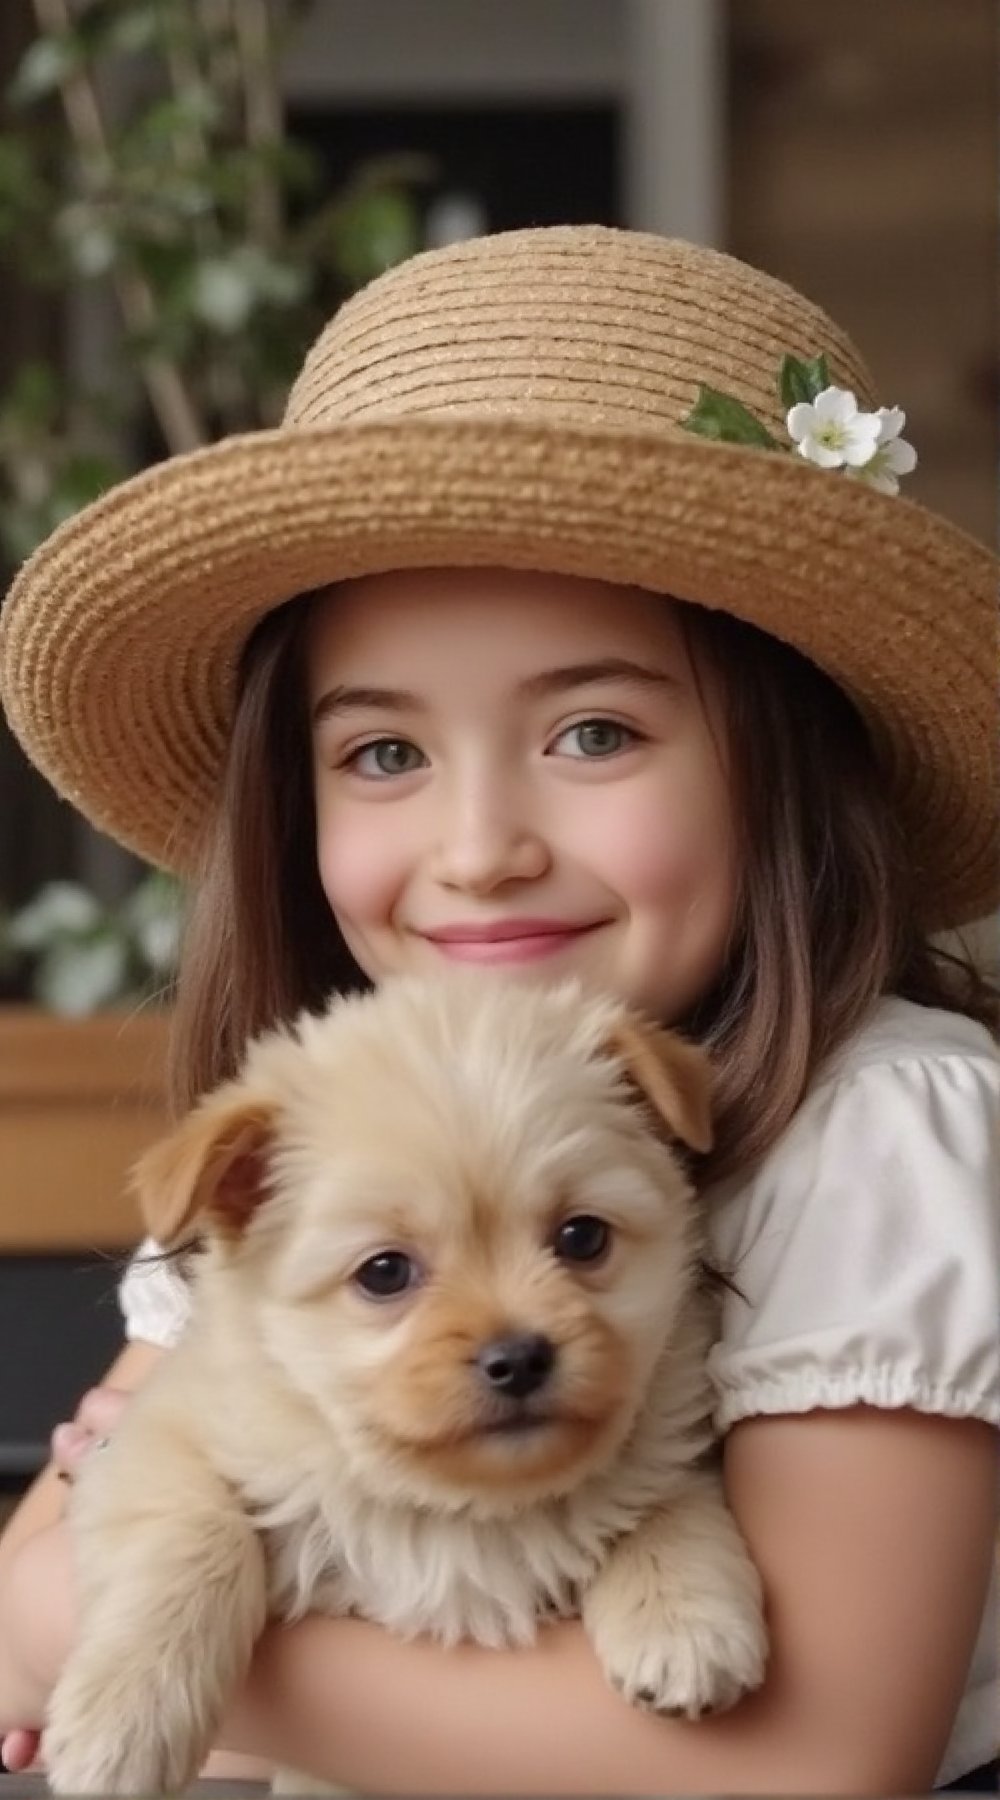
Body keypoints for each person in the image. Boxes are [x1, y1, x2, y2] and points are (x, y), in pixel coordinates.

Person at [0, 224, 997, 1795]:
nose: (482, 850)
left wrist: (134, 1643)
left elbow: (805, 1765)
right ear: (291, 801)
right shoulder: (307, 1142)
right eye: (385, 753)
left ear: (787, 765)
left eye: (593, 732)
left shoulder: (885, 1130)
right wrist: (100, 1603)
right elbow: (36, 1589)